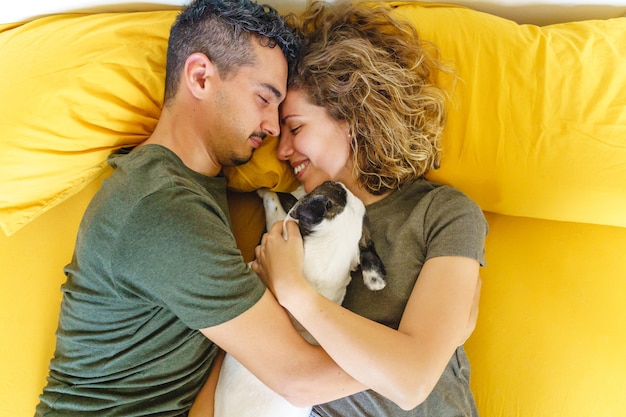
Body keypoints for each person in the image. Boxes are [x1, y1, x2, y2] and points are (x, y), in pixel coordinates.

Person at [35, 1, 366, 416]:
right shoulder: (163, 208)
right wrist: (422, 356)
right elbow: (300, 378)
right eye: (264, 99)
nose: (272, 127)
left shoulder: (188, 185)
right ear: (200, 76)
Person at [250, 1, 488, 416]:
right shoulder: (291, 223)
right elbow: (291, 381)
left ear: (353, 117)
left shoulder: (444, 213)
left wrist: (295, 293)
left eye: (297, 127)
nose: (283, 150)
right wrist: (425, 345)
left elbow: (412, 382)